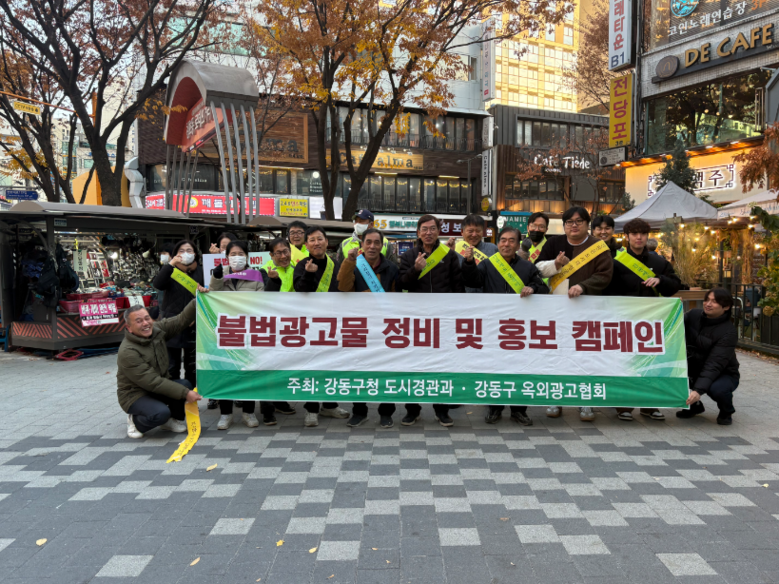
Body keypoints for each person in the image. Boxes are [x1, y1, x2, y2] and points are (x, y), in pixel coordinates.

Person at [462, 226, 548, 426]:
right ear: (498, 243)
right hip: (494, 326)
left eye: (511, 240)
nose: (506, 244)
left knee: (521, 367)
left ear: (518, 245)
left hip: (520, 328)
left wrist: (532, 287)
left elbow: (543, 287)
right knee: (495, 367)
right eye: (503, 240)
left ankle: (519, 410)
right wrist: (469, 263)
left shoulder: (527, 267)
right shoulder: (487, 264)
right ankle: (495, 407)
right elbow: (472, 281)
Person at [535, 207, 613, 422]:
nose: (574, 225)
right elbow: (537, 268)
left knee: (584, 354)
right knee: (557, 353)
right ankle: (555, 397)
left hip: (586, 311)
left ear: (587, 224)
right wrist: (555, 264)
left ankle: (585, 400)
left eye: (579, 221)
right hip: (557, 310)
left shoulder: (598, 247)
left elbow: (605, 275)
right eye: (569, 222)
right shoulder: (554, 243)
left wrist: (583, 286)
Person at [604, 218, 682, 421]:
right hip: (624, 321)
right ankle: (624, 405)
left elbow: (676, 284)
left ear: (647, 236)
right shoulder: (616, 262)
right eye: (634, 234)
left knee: (650, 363)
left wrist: (660, 280)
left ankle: (650, 405)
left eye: (643, 234)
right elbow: (607, 290)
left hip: (651, 322)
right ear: (627, 236)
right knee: (625, 362)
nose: (639, 237)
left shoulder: (659, 262)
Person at [399, 215, 464, 427]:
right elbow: (402, 284)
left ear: (438, 231)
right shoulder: (408, 256)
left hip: (442, 319)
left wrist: (457, 315)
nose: (429, 233)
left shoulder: (449, 255)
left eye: (433, 229)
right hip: (416, 319)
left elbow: (457, 286)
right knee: (413, 364)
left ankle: (441, 409)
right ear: (418, 232)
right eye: (424, 229)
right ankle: (412, 409)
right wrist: (415, 269)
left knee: (442, 365)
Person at [202, 240, 274, 429]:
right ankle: (226, 414)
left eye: (241, 254)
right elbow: (212, 296)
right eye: (233, 254)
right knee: (225, 371)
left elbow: (262, 301)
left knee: (249, 372)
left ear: (247, 256)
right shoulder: (220, 273)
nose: (237, 258)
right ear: (226, 257)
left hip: (249, 330)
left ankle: (248, 412)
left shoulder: (256, 275)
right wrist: (216, 278)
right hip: (226, 330)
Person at [337, 227, 400, 428]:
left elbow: (396, 297)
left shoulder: (391, 268)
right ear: (362, 244)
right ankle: (359, 411)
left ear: (382, 245)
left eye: (376, 242)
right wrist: (349, 262)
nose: (372, 246)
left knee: (387, 370)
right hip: (359, 326)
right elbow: (343, 287)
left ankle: (386, 412)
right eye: (368, 242)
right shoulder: (353, 264)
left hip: (385, 327)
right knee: (359, 369)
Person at [119, 301, 202, 439]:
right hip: (135, 395)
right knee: (161, 413)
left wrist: (197, 300)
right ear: (129, 327)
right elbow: (152, 382)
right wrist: (186, 393)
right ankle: (136, 421)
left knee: (185, 384)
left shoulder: (157, 330)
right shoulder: (128, 351)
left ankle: (170, 421)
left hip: (156, 388)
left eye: (147, 318)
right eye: (139, 321)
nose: (145, 323)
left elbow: (181, 320)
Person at [293, 226, 350, 426]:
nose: (316, 243)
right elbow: (300, 290)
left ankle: (330, 405)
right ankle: (311, 409)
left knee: (331, 366)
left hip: (333, 324)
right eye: (312, 240)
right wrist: (308, 274)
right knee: (311, 367)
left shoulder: (336, 264)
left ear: (326, 242)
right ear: (306, 244)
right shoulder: (302, 265)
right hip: (310, 325)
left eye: (320, 239)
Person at [677, 288, 740, 426]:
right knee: (669, 375)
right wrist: (674, 308)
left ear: (726, 307)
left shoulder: (728, 332)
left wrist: (698, 390)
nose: (708, 304)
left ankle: (726, 410)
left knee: (718, 390)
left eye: (714, 301)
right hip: (694, 367)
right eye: (707, 300)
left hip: (722, 372)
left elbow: (714, 364)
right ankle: (694, 406)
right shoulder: (693, 315)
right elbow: (673, 324)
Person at [152, 240, 203, 388]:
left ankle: (190, 397)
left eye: (189, 250)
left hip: (193, 324)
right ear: (175, 254)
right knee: (171, 366)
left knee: (192, 367)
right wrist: (170, 264)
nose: (185, 254)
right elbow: (158, 284)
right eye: (181, 251)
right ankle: (173, 397)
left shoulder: (201, 271)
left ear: (195, 254)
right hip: (172, 323)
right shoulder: (170, 271)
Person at [260, 238, 298, 417]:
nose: (283, 256)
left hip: (291, 327)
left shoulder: (297, 269)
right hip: (270, 326)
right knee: (269, 366)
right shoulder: (263, 271)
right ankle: (268, 406)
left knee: (283, 365)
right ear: (271, 255)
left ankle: (280, 400)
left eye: (286, 252)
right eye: (278, 253)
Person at [447, 214, 498, 293]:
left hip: (487, 296)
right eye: (470, 231)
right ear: (462, 232)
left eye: (478, 231)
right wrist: (448, 254)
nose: (474, 235)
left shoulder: (493, 249)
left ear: (483, 232)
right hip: (462, 296)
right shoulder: (455, 250)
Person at [518, 212, 566, 280]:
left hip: (544, 285)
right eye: (533, 226)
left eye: (541, 227)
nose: (537, 229)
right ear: (528, 228)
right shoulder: (518, 246)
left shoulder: (551, 247)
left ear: (546, 230)